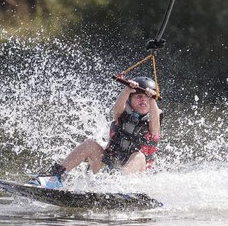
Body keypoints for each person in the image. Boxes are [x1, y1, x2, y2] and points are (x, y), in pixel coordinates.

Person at [27, 76, 162, 188]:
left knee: (139, 156)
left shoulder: (153, 124)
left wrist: (152, 98)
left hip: (132, 178)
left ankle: (115, 186)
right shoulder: (120, 116)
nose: (143, 100)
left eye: (146, 98)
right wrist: (127, 90)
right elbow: (117, 108)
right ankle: (55, 178)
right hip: (107, 169)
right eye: (138, 96)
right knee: (90, 144)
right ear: (130, 100)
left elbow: (154, 125)